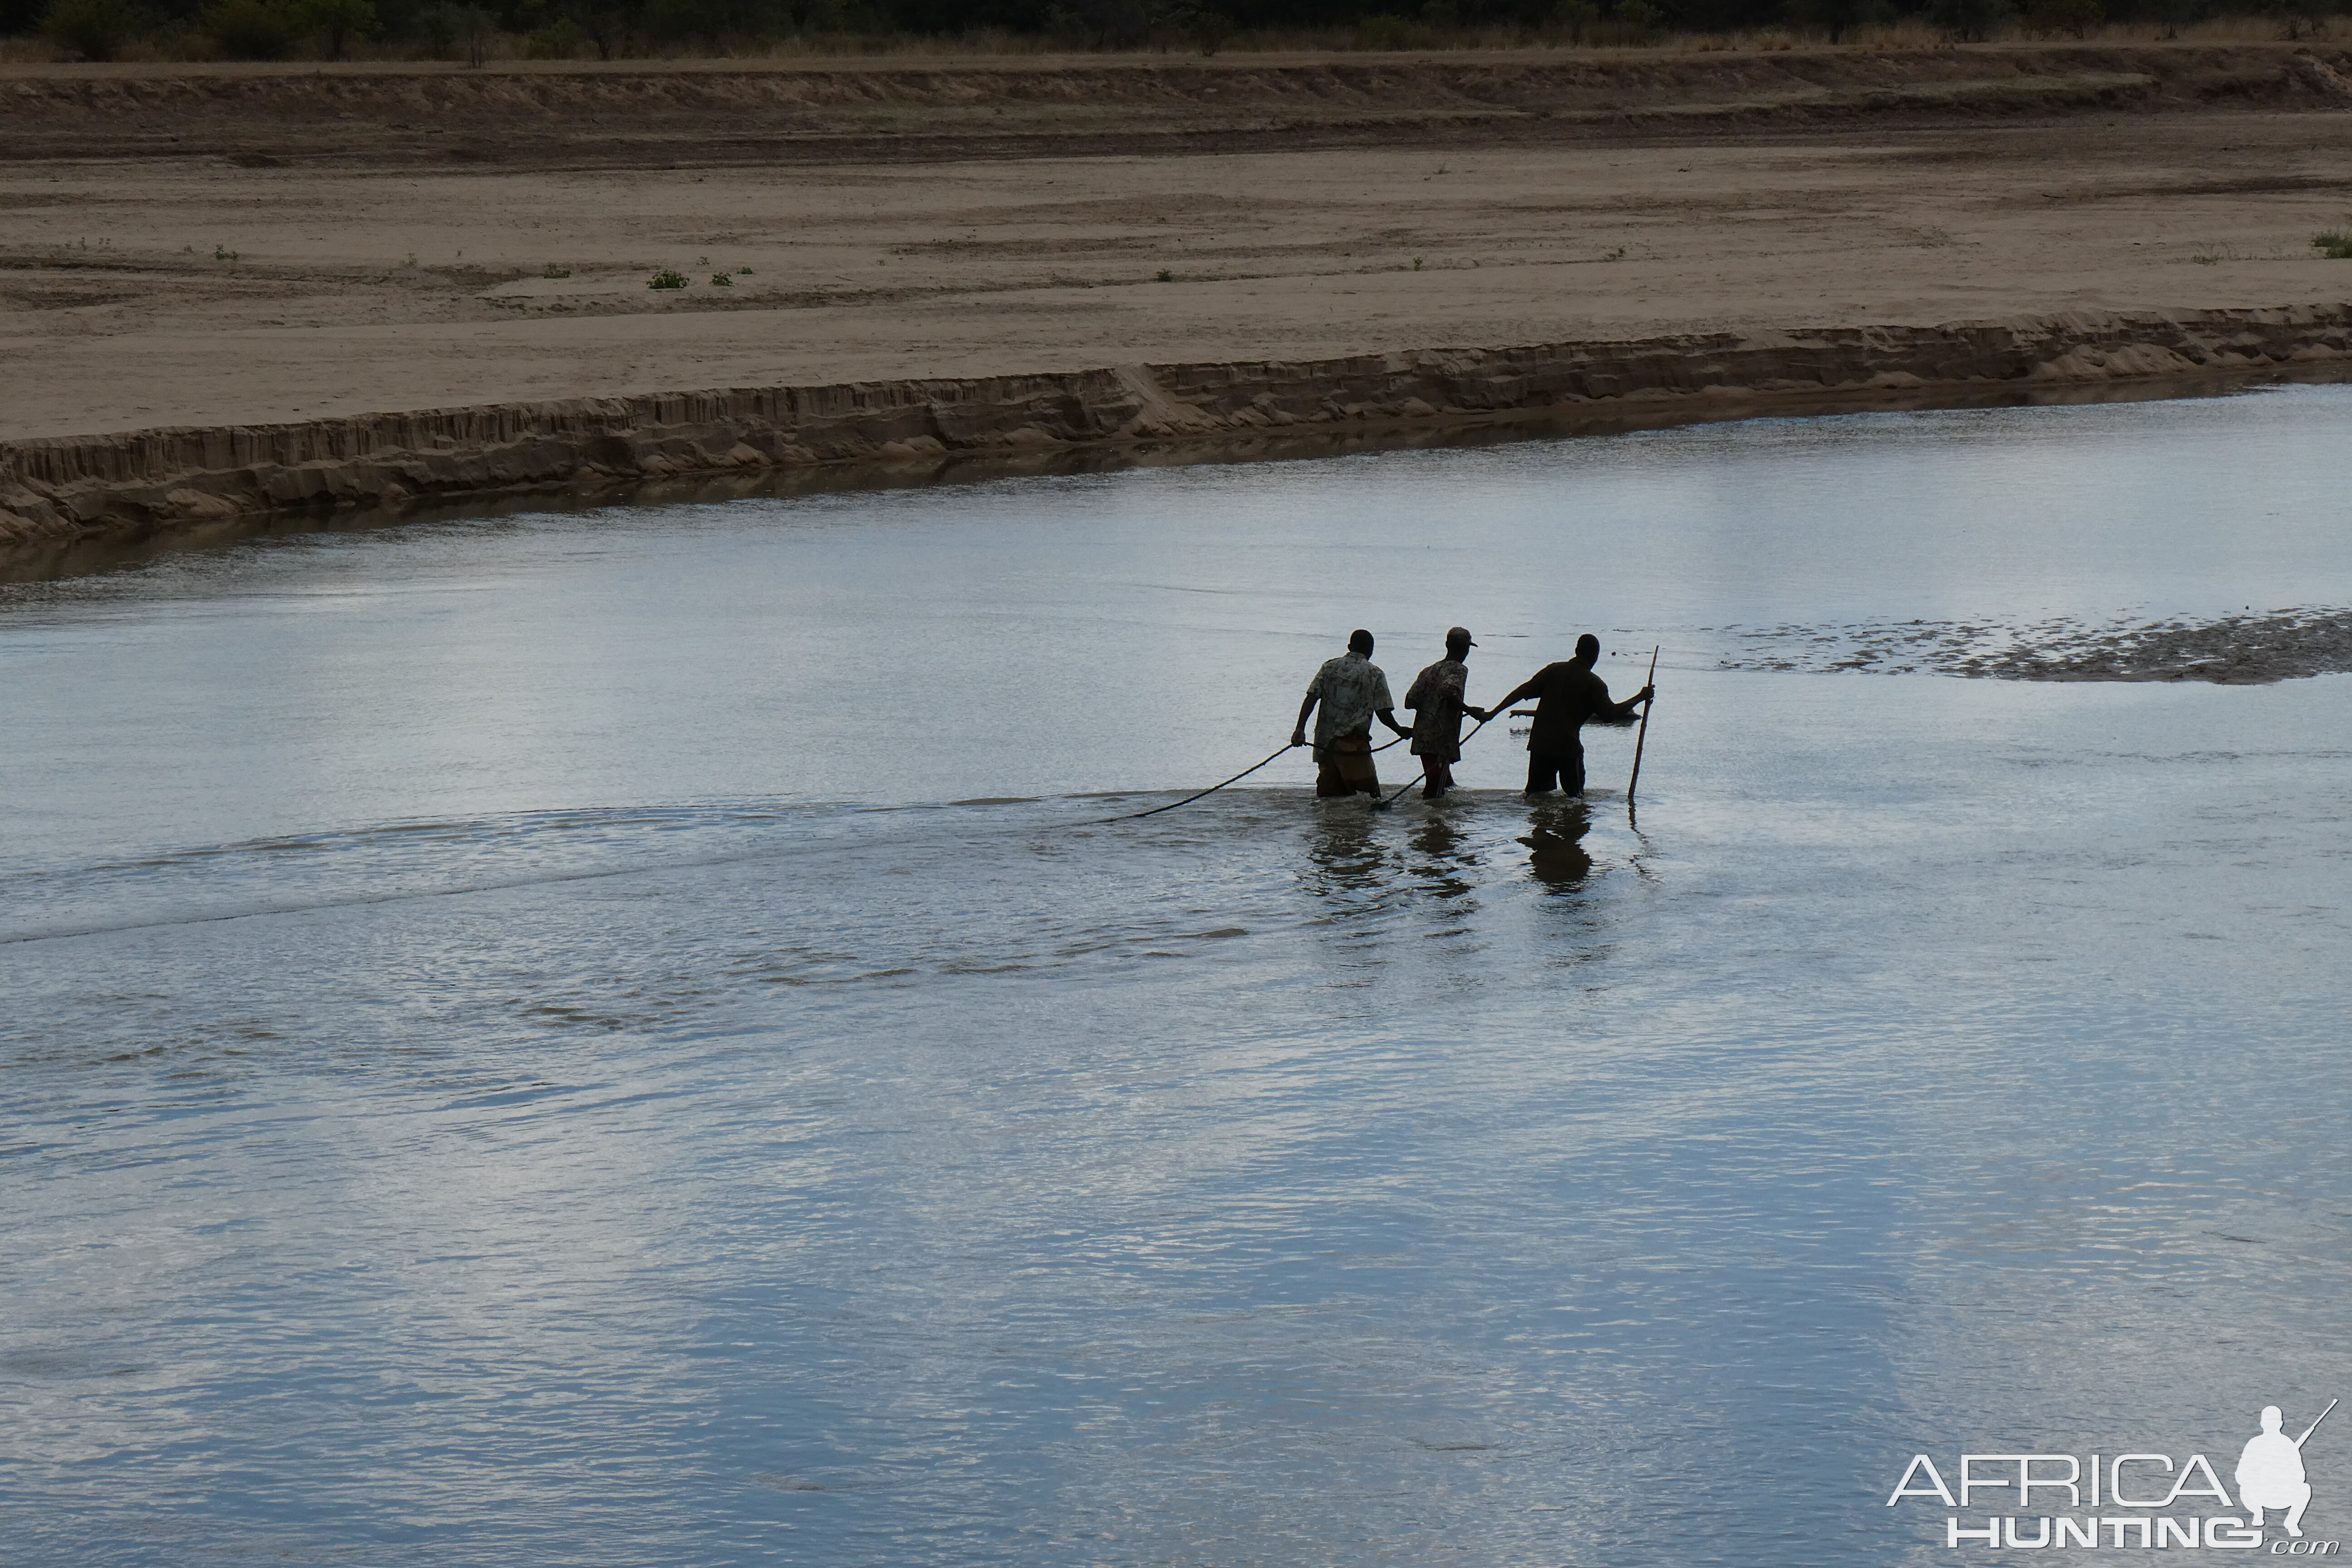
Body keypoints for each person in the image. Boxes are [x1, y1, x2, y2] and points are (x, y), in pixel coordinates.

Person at [1489, 633, 1653, 797]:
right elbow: (1609, 714)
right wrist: (1640, 697)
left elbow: (1521, 692)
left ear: (1576, 650)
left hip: (1541, 744)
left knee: (1536, 796)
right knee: (1575, 799)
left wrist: (1493, 713)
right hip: (1567, 747)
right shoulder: (1594, 684)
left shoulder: (1553, 670)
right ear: (1596, 657)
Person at [1292, 629, 1409, 799]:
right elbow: (1383, 712)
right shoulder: (1374, 673)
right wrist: (1400, 731)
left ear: (1349, 647)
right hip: (1353, 746)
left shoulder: (1329, 667)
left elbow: (1311, 697)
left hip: (1325, 745)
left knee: (1330, 799)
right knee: (1370, 799)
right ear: (1371, 650)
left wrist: (1300, 729)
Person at [1402, 627, 1492, 800]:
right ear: (1466, 649)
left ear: (1447, 645)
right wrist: (1470, 711)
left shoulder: (1428, 670)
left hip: (1422, 736)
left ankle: (1439, 818)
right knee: (1435, 789)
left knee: (1444, 782)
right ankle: (1433, 822)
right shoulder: (1459, 669)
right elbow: (1448, 691)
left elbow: (1410, 701)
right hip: (1441, 739)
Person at [2237, 1405, 2313, 1538]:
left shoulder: (2283, 1445)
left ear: (2262, 1424)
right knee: (2305, 1489)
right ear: (2281, 1424)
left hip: (2275, 1496)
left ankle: (2289, 1522)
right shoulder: (2258, 1444)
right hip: (2263, 1495)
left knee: (2305, 1488)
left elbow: (2300, 1476)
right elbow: (2241, 1476)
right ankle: (2259, 1513)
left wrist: (2281, 1476)